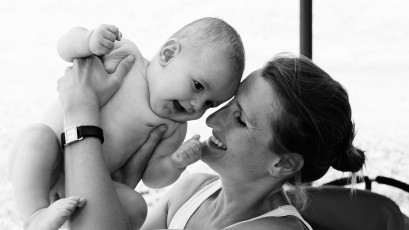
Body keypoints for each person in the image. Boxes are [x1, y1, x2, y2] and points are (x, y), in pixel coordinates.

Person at [56, 53, 366, 230]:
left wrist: (80, 112)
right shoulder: (191, 192)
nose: (211, 120)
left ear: (283, 163)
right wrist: (115, 189)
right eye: (229, 105)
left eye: (240, 120)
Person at [8, 17, 244, 230]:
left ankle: (72, 222)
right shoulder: (125, 56)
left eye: (209, 104)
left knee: (136, 205)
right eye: (198, 86)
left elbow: (152, 176)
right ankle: (35, 215)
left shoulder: (173, 128)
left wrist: (175, 163)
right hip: (47, 165)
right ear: (168, 54)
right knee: (36, 138)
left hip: (93, 187)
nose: (196, 105)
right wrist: (88, 40)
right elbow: (64, 46)